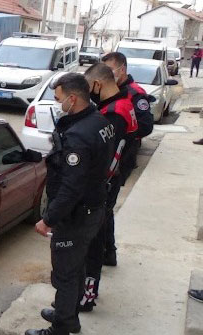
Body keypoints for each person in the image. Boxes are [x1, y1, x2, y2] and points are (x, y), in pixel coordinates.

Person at [26, 73, 114, 335]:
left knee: (65, 273)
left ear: (72, 99)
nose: (57, 103)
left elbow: (71, 187)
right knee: (76, 266)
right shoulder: (99, 120)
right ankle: (68, 314)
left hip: (77, 215)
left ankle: (61, 327)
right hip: (95, 206)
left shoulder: (78, 136)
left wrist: (48, 219)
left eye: (58, 98)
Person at [79, 63, 137, 312]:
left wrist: (94, 187)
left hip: (104, 186)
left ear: (97, 85)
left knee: (92, 240)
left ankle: (87, 296)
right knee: (96, 237)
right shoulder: (120, 104)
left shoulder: (114, 113)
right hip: (109, 182)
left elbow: (110, 158)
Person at [101, 51, 154, 265]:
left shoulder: (135, 94)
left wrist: (124, 129)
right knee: (105, 209)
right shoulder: (108, 92)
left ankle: (106, 253)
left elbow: (146, 126)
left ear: (121, 69)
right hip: (109, 157)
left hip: (121, 159)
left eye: (109, 70)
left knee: (104, 208)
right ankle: (108, 252)